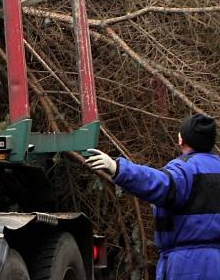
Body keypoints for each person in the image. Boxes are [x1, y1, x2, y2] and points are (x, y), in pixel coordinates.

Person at [86, 114, 220, 280]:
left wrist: (116, 167)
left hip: (186, 267)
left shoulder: (184, 170)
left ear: (181, 140)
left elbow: (156, 182)